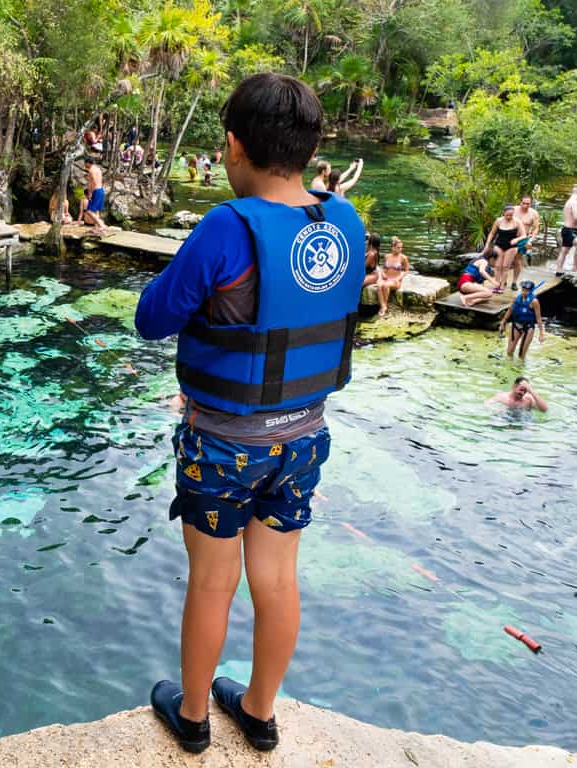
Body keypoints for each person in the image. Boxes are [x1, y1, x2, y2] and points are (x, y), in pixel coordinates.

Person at [135, 73, 366, 755]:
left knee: (213, 578)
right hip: (303, 436)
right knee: (276, 574)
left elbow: (153, 318)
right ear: (311, 145)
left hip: (224, 442)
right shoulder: (342, 221)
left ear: (234, 146)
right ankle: (261, 711)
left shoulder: (226, 227)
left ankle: (196, 716)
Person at [498, 280, 544, 360]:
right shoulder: (517, 298)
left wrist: (541, 334)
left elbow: (538, 318)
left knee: (521, 355)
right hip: (516, 325)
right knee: (509, 352)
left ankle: (520, 369)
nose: (523, 292)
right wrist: (503, 321)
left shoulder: (534, 301)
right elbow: (510, 310)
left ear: (531, 291)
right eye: (523, 290)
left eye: (526, 291)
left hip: (528, 328)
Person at [484, 206, 522, 291]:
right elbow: (492, 233)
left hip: (511, 246)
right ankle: (497, 285)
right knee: (497, 266)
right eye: (507, 215)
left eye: (511, 215)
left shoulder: (517, 222)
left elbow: (523, 235)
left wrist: (517, 239)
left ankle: (502, 286)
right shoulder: (498, 221)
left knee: (505, 267)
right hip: (499, 245)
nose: (509, 217)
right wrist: (487, 244)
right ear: (503, 213)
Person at [375, 236, 409, 319]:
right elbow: (384, 268)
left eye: (401, 247)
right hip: (386, 278)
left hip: (395, 280)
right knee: (379, 285)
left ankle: (383, 307)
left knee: (386, 285)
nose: (400, 249)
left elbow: (406, 270)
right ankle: (383, 306)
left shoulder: (403, 258)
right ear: (392, 247)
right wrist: (382, 274)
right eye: (398, 247)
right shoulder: (387, 256)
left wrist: (399, 278)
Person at [557, 184, 577, 275]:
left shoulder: (568, 201)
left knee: (564, 251)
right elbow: (576, 217)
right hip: (571, 230)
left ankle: (559, 270)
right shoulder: (575, 202)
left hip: (566, 229)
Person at [512, 195, 540, 274]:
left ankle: (514, 282)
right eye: (523, 203)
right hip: (511, 237)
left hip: (523, 239)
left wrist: (531, 240)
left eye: (527, 204)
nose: (525, 205)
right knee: (507, 260)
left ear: (531, 204)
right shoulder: (513, 210)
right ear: (520, 202)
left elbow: (536, 228)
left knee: (517, 261)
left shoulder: (534, 213)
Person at [82, 156, 107, 235]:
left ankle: (101, 225)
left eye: (85, 163)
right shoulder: (98, 169)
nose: (84, 165)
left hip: (95, 191)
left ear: (88, 163)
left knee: (89, 211)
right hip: (101, 190)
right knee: (96, 210)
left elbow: (93, 183)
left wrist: (90, 193)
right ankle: (96, 228)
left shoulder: (91, 171)